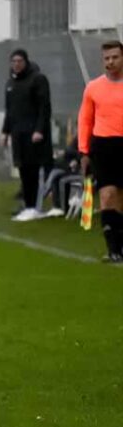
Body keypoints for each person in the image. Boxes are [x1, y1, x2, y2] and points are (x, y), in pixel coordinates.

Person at [77, 40, 123, 263]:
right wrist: (84, 151)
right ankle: (112, 248)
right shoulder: (93, 88)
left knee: (121, 198)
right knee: (107, 195)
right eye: (107, 58)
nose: (111, 62)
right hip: (103, 146)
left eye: (115, 57)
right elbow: (85, 120)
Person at [0, 49, 52, 222]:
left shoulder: (38, 80)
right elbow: (9, 111)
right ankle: (28, 205)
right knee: (23, 170)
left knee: (34, 170)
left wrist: (39, 130)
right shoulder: (10, 83)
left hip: (33, 134)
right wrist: (5, 132)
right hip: (18, 134)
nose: (16, 64)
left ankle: (35, 207)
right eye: (13, 61)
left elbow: (44, 108)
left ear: (26, 61)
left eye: (19, 61)